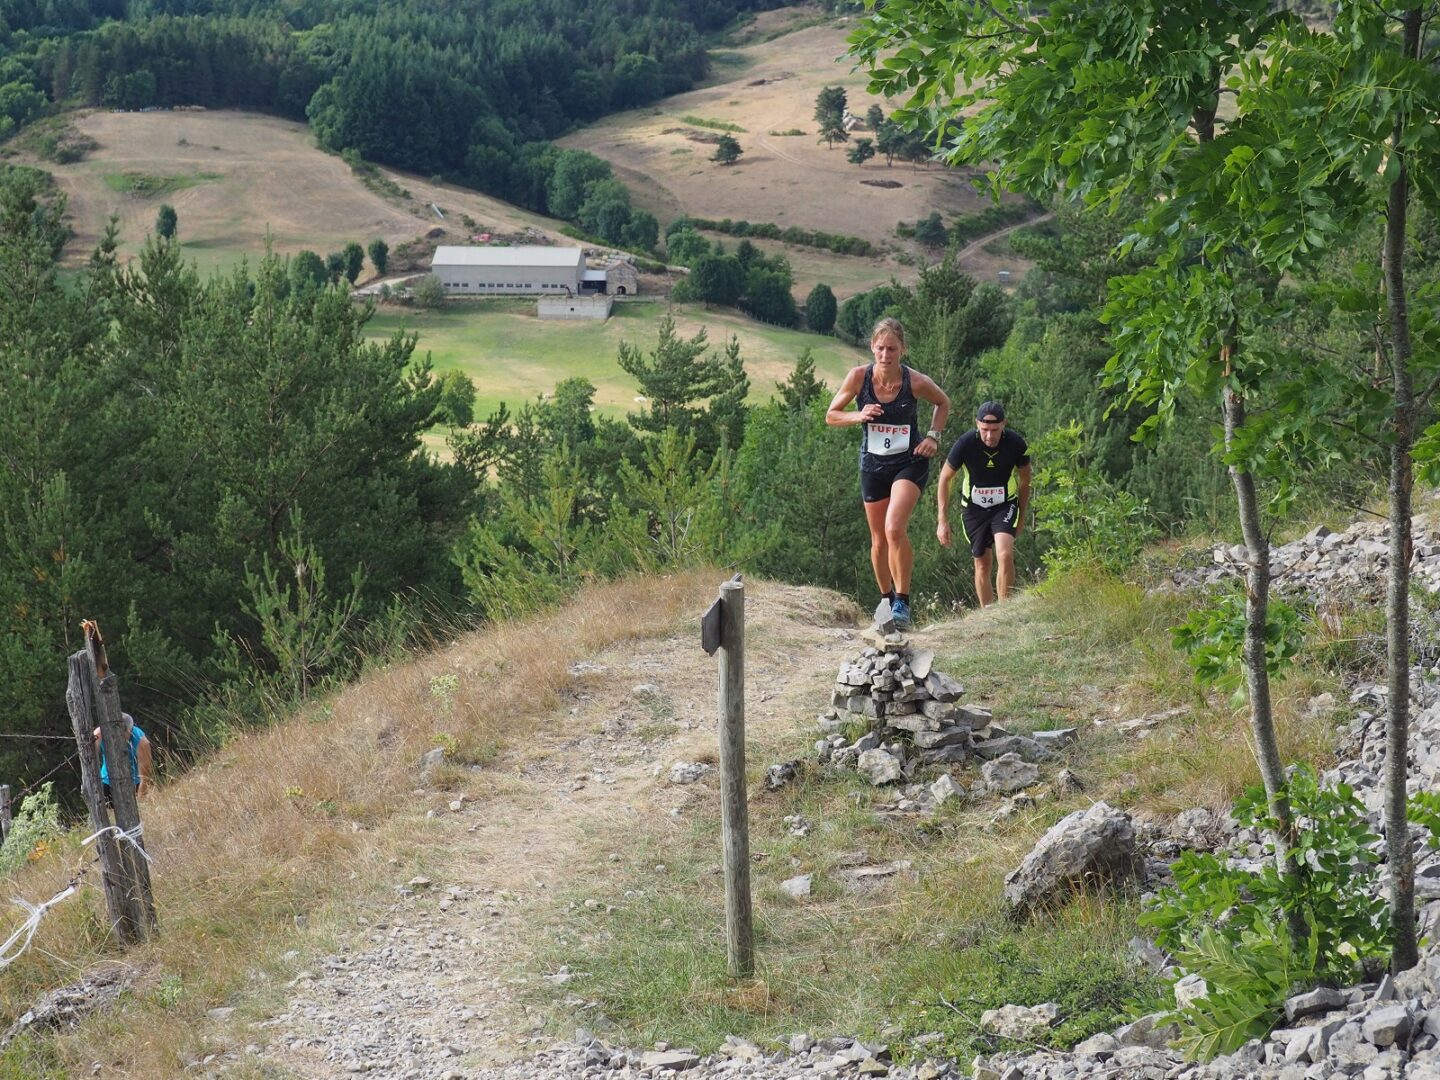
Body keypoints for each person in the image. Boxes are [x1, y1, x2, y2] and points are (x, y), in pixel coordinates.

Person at [826, 317, 950, 630]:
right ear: (872, 347)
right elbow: (831, 415)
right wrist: (859, 415)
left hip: (909, 461)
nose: (885, 355)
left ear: (902, 349)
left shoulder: (915, 381)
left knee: (894, 528)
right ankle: (885, 600)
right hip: (873, 465)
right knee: (879, 539)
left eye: (892, 349)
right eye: (880, 348)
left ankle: (903, 602)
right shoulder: (858, 378)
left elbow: (943, 402)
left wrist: (933, 436)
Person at [937, 400, 1031, 607]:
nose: (990, 436)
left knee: (1005, 554)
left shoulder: (1016, 444)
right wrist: (942, 520)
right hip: (974, 508)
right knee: (982, 564)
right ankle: (988, 614)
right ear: (977, 424)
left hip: (1004, 505)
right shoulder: (965, 443)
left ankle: (1004, 610)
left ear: (1004, 424)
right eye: (985, 429)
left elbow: (1026, 481)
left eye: (995, 430)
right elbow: (945, 478)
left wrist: (1022, 517)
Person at [92, 712, 154, 803]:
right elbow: (89, 760)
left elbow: (145, 776)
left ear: (129, 730)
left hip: (133, 784)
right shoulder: (98, 735)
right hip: (106, 782)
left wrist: (140, 801)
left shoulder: (141, 742)